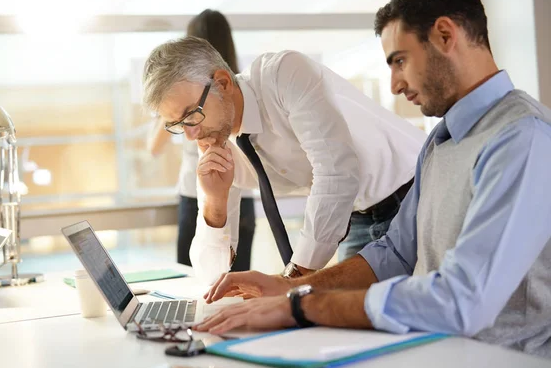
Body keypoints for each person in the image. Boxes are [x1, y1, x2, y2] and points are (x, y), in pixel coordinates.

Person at [193, 0, 551, 358]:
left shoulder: (522, 138)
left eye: (400, 61)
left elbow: (461, 299)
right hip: (442, 351)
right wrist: (288, 288)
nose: (395, 84)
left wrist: (302, 305)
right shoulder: (440, 141)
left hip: (507, 358)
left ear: (446, 36)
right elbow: (394, 253)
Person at [142, 35, 425, 284]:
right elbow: (210, 275)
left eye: (192, 114)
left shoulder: (284, 74)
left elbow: (336, 172)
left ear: (223, 83)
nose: (190, 135)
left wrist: (290, 281)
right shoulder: (217, 142)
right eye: (177, 125)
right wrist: (215, 203)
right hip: (357, 217)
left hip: (414, 192)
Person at [147, 9, 257, 271]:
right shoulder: (238, 88)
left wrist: (176, 110)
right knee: (237, 286)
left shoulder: (186, 93)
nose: (189, 128)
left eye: (189, 117)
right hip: (245, 194)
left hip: (197, 195)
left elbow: (153, 148)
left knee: (196, 283)